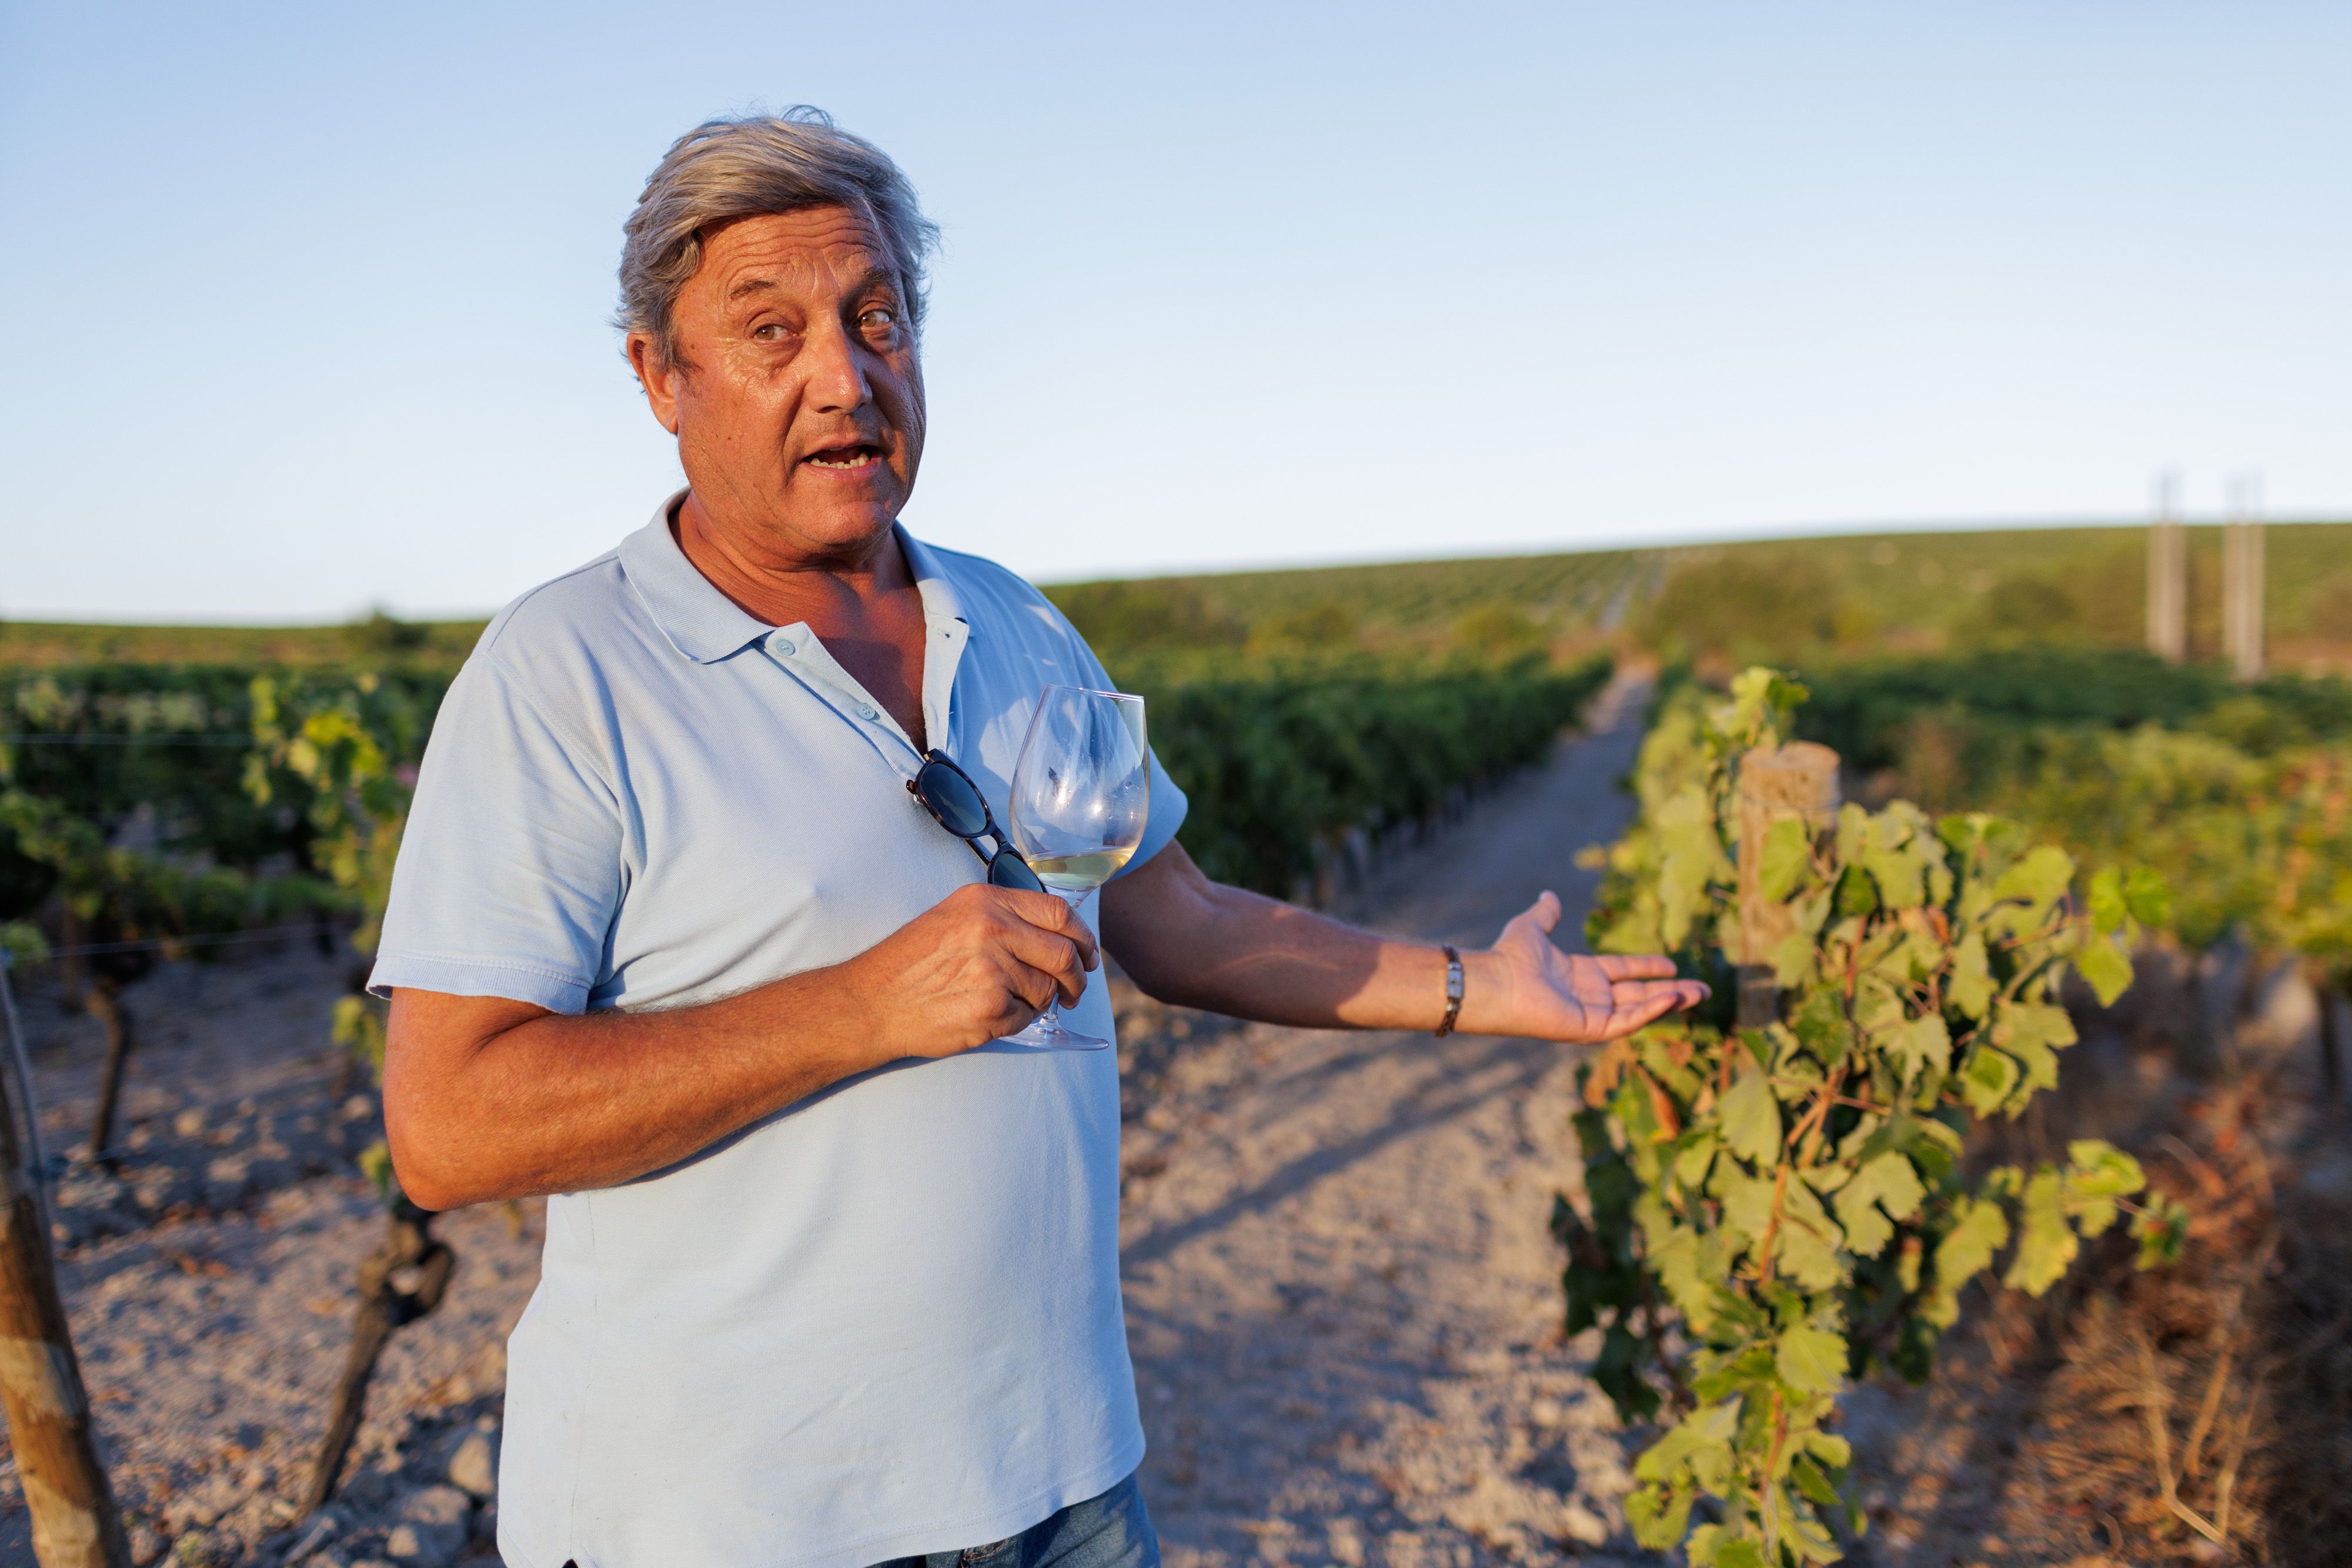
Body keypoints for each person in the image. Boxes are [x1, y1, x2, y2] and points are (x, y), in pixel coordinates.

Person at [374, 109, 1708, 1568]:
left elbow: (1176, 916)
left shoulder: (1013, 619)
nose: (845, 373)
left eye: (876, 317)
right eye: (771, 330)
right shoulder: (566, 668)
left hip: (1060, 1481)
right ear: (659, 376)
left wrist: (1478, 985)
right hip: (733, 1520)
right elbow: (449, 1126)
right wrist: (864, 1005)